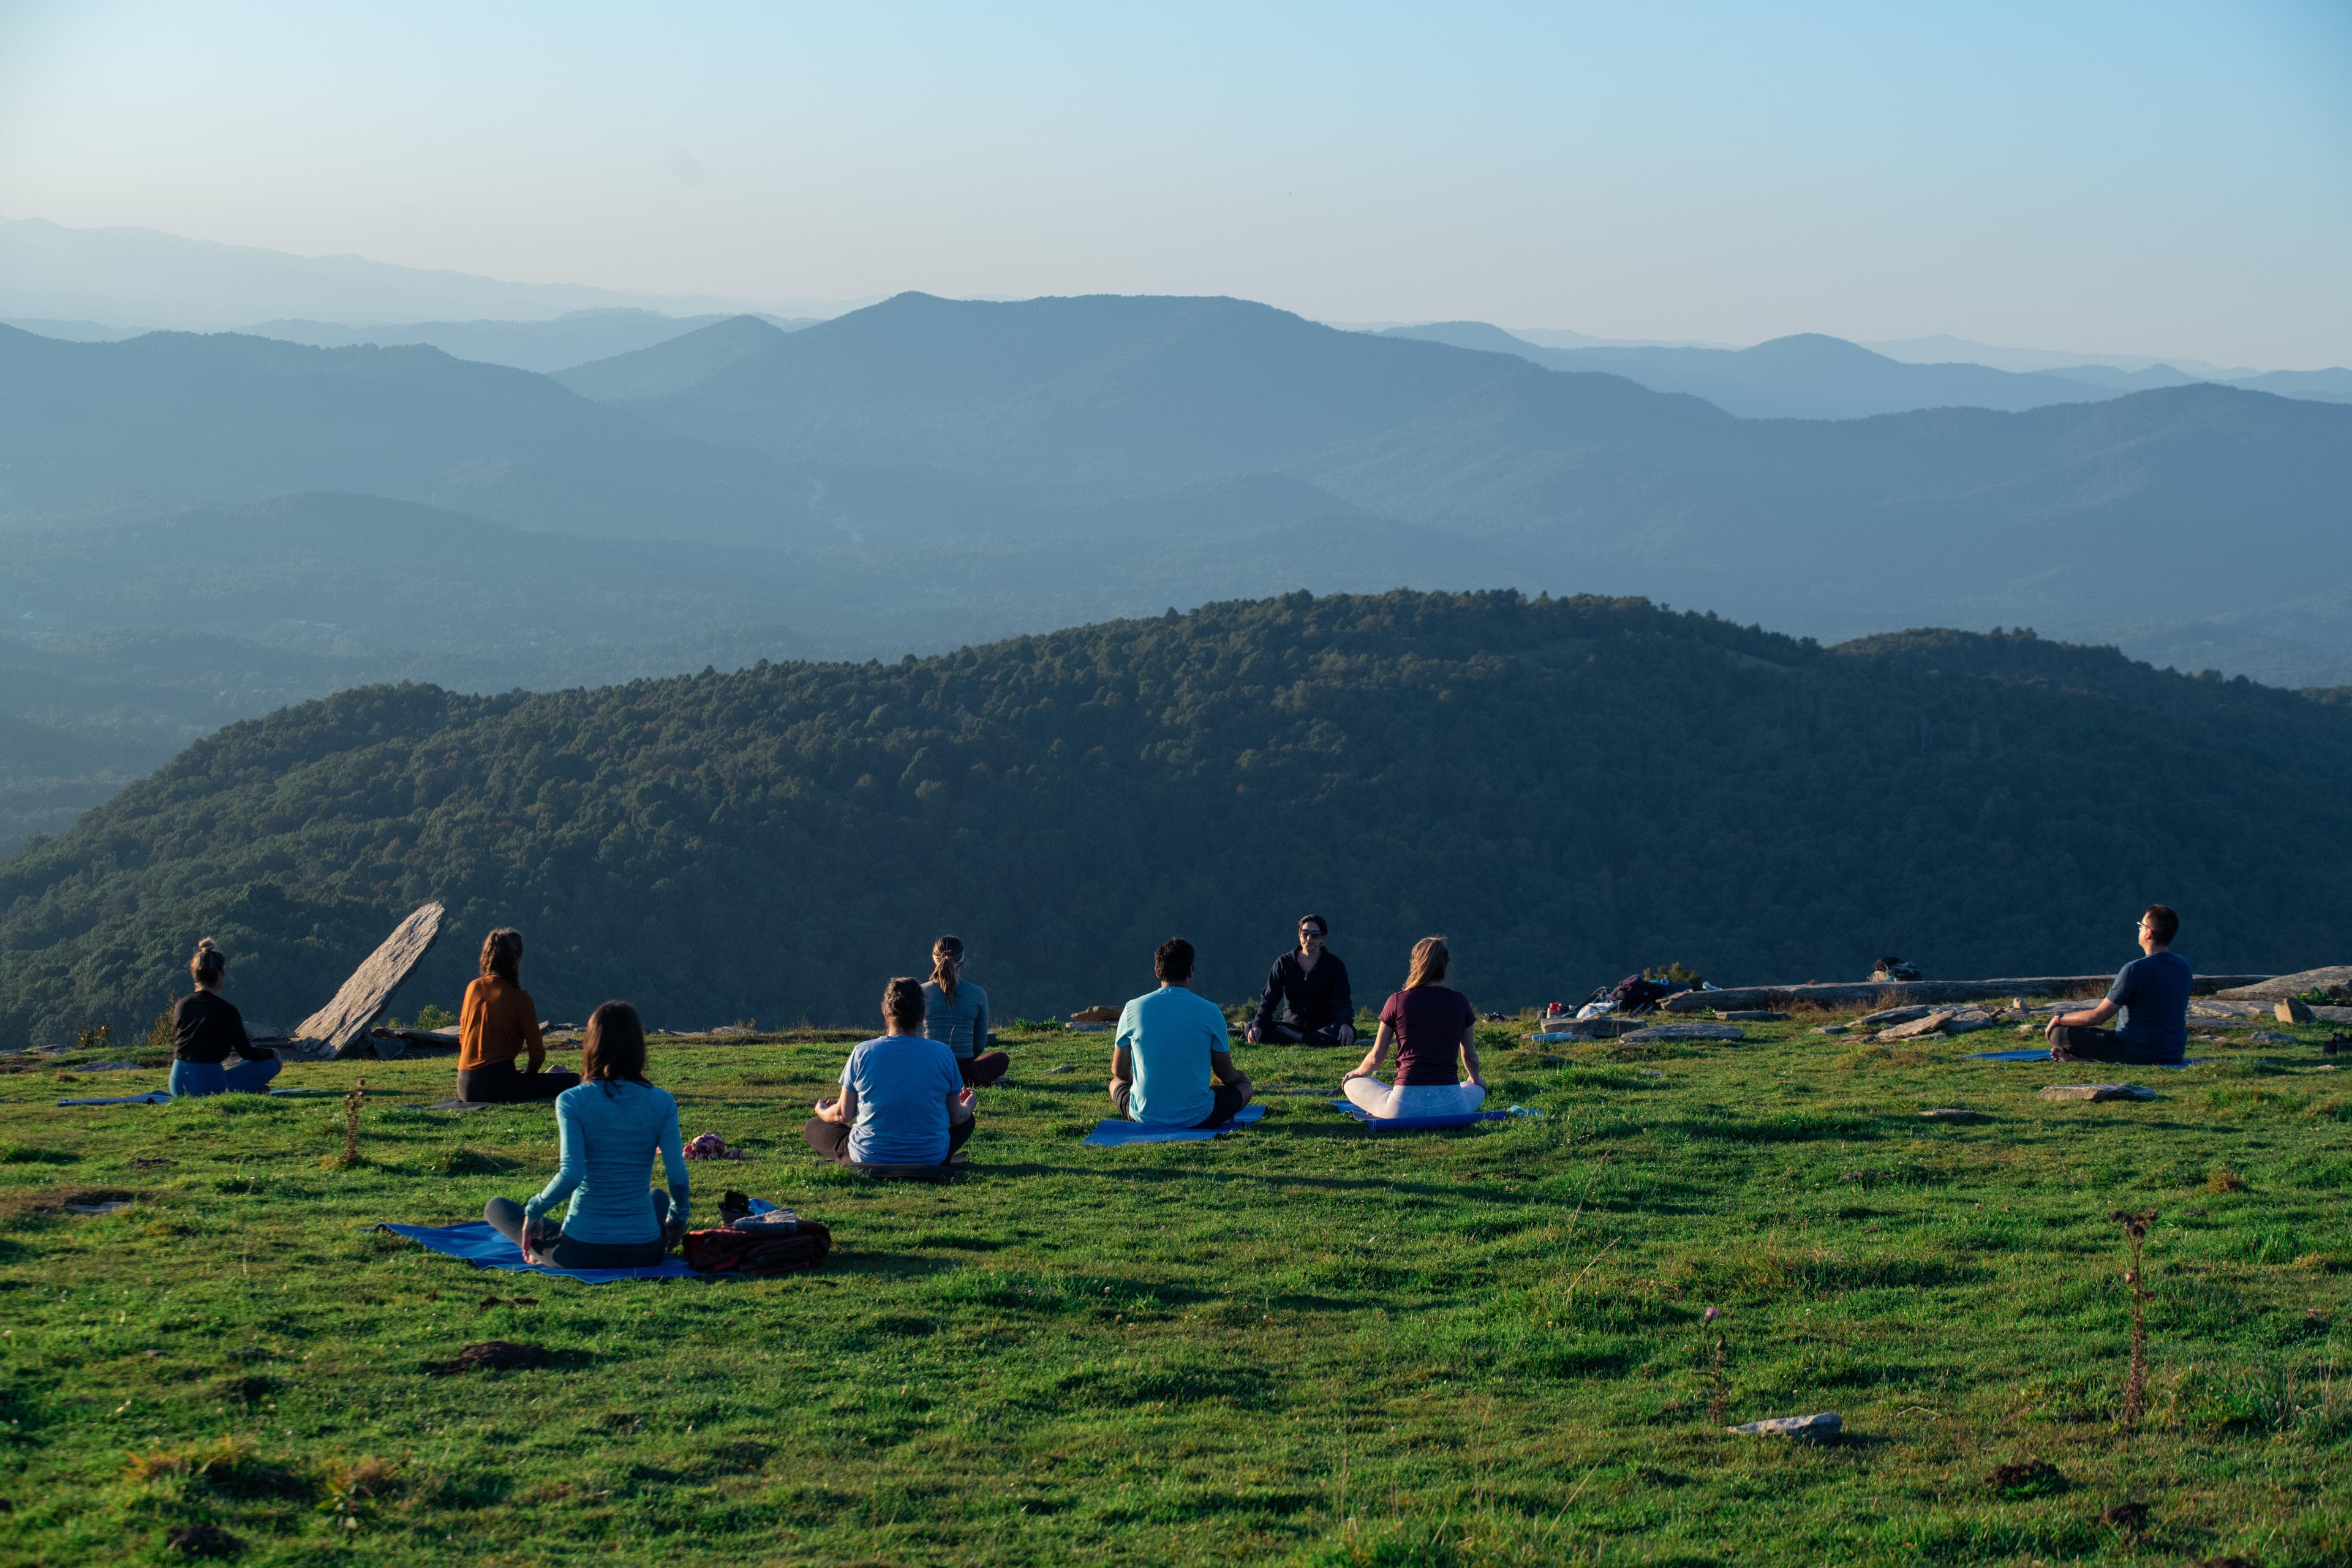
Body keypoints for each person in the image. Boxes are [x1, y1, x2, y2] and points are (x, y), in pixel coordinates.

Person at [483, 1001, 688, 1270]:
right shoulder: (662, 1102)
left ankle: (541, 1248)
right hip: (645, 1251)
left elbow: (572, 1174)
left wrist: (535, 1211)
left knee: (496, 1207)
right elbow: (677, 1176)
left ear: (591, 1046)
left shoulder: (572, 1101)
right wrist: (678, 1218)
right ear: (638, 1048)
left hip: (582, 1252)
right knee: (658, 1197)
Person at [805, 976, 975, 1166]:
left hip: (869, 1155)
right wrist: (968, 1105)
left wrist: (822, 1111)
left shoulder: (862, 1052)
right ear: (922, 1016)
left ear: (886, 1015)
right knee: (968, 1121)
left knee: (814, 1125)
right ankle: (926, 1151)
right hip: (930, 1157)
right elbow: (957, 1116)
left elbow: (843, 1115)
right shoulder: (943, 1053)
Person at [1112, 938, 1255, 1128]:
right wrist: (1242, 1078)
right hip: (1199, 1118)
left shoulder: (1132, 1009)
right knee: (1245, 1088)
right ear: (1191, 971)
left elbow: (1119, 1071)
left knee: (1114, 1083)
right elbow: (1226, 1074)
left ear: (1157, 972)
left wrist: (1137, 1087)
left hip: (1144, 1116)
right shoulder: (1210, 1011)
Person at [1343, 936, 1486, 1118]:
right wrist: (1476, 1080)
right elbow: (1471, 1058)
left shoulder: (1397, 1001)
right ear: (1445, 966)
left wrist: (1357, 1073)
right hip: (1453, 1107)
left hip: (1403, 1108)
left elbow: (1376, 1058)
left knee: (1351, 1083)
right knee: (1475, 1087)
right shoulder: (1460, 1002)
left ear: (1415, 963)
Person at [2045, 905, 2193, 1065]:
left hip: (2136, 1052)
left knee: (2059, 1033)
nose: (2139, 930)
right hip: (2173, 1052)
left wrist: (2059, 1019)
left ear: (2149, 933)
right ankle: (2079, 1057)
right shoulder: (2183, 965)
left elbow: (2098, 1017)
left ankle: (2081, 1055)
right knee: (2104, 1036)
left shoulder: (2135, 969)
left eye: (2141, 926)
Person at [456, 927, 578, 1103]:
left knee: (551, 1076)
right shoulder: (520, 997)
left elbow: (463, 1037)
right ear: (516, 961)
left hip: (465, 1085)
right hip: (496, 1086)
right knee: (573, 1080)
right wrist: (528, 1075)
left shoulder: (473, 988)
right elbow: (537, 1055)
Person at [167, 938, 283, 1098]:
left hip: (177, 1084)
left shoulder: (182, 1005)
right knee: (272, 1064)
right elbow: (247, 1052)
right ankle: (250, 1087)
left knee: (238, 1069)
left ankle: (248, 1086)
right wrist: (273, 1052)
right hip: (209, 1086)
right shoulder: (227, 1010)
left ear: (195, 975)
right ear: (220, 976)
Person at [1246, 914, 1356, 1046]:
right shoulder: (1284, 963)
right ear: (1299, 935)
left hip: (1324, 1026)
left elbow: (1343, 1000)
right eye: (1305, 933)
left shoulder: (1334, 965)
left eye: (1315, 934)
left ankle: (1299, 1038)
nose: (1309, 938)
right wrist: (1259, 1024)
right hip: (1292, 1025)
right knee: (1251, 1028)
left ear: (1323, 938)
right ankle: (1308, 1039)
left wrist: (1345, 1023)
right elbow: (1269, 998)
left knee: (1346, 1032)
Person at [922, 936, 1007, 1087]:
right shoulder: (977, 994)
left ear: (935, 959)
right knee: (1000, 1058)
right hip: (966, 1073)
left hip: (929, 1069)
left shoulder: (920, 993)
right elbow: (979, 1044)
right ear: (962, 960)